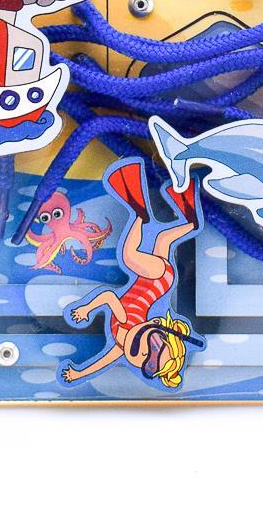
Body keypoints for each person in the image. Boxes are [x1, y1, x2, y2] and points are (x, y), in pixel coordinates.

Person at [61, 161, 202, 388]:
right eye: (157, 344)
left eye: (150, 363)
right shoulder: (126, 321)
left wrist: (77, 375)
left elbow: (101, 363)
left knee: (163, 239)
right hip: (155, 281)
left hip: (158, 282)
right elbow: (108, 297)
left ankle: (190, 221)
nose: (147, 351)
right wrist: (86, 309)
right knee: (129, 256)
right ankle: (139, 214)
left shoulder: (119, 345)